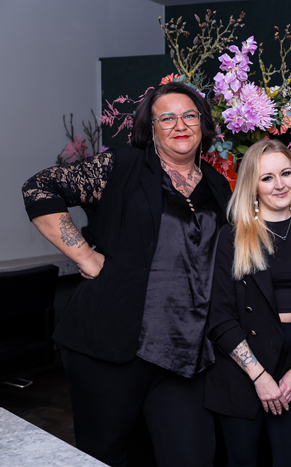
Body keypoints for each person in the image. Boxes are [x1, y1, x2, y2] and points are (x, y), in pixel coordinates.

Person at [21, 82, 231, 466]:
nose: (180, 125)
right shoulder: (122, 166)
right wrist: (85, 255)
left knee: (193, 456)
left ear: (202, 123)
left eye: (189, 115)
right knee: (108, 455)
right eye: (166, 118)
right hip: (111, 344)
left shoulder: (217, 185)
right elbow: (39, 188)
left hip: (184, 351)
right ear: (151, 128)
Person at [205, 139, 291, 467]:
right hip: (242, 363)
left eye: (286, 173)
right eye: (267, 178)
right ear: (253, 185)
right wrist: (259, 376)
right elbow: (220, 317)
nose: (280, 185)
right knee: (242, 460)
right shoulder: (232, 236)